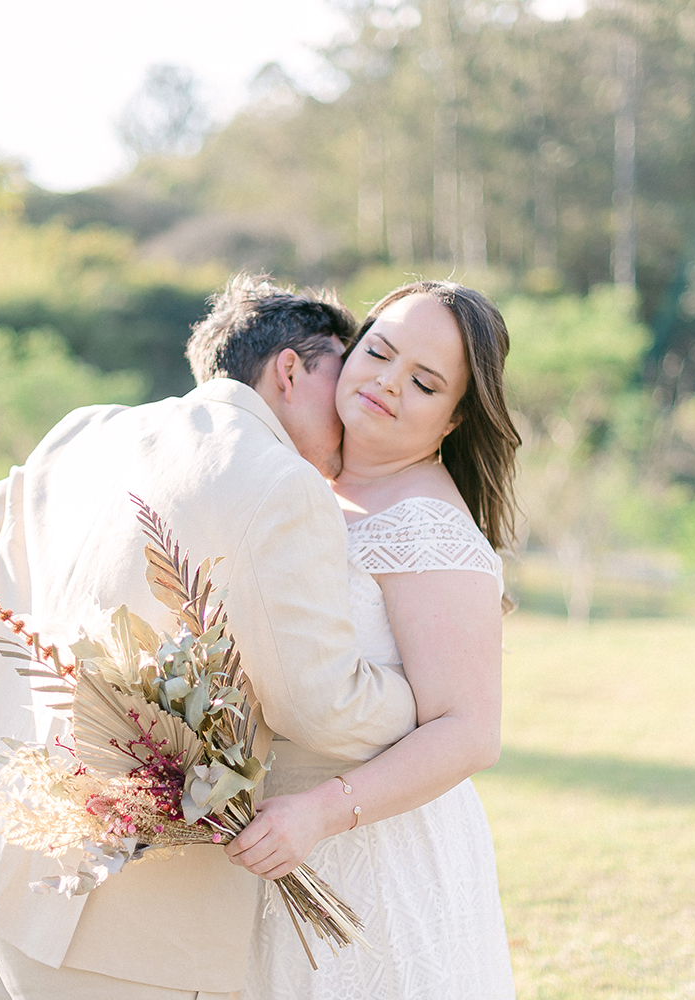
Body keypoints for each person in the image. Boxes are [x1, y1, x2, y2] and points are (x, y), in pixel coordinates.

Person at [0, 274, 420, 1000]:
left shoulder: (88, 429)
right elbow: (322, 707)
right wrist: (424, 702)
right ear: (291, 368)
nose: (354, 409)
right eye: (345, 373)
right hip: (109, 916)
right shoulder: (280, 480)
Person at [226, 281, 521, 999]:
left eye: (423, 383)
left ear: (453, 421)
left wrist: (320, 812)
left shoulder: (430, 530)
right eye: (379, 351)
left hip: (372, 850)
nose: (387, 383)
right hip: (273, 839)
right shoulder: (312, 485)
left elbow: (470, 731)